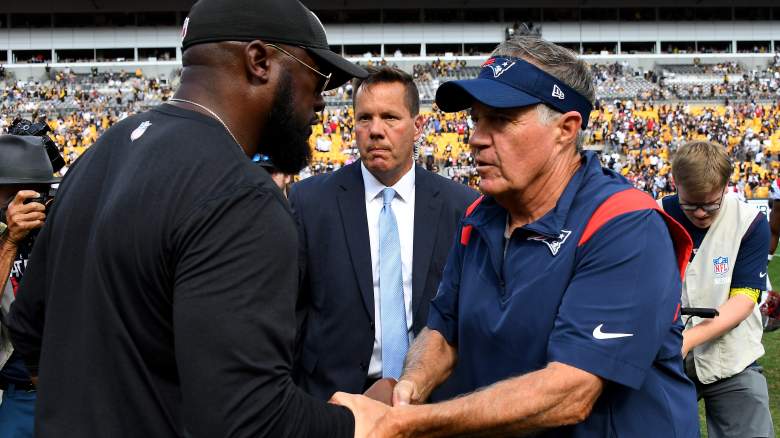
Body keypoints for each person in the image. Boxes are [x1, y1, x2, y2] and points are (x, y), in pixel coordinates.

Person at [6, 0, 370, 437]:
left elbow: (28, 328)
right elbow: (248, 419)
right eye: (319, 78)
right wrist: (358, 423)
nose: (321, 104)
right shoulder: (240, 196)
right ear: (259, 61)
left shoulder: (100, 153)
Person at [332, 36, 699, 437]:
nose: (476, 137)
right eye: (476, 119)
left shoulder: (626, 225)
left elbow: (570, 392)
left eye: (501, 120)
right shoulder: (479, 216)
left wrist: (404, 423)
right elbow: (443, 330)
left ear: (566, 129)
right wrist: (410, 388)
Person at [289, 67, 478, 400]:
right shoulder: (309, 202)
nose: (375, 131)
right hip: (332, 398)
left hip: (430, 396)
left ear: (418, 126)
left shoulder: (460, 206)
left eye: (390, 118)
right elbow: (292, 308)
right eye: (365, 119)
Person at [660, 141, 773, 438]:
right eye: (690, 204)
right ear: (676, 184)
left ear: (726, 185)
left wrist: (688, 339)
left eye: (710, 204)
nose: (699, 213)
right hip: (663, 356)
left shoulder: (750, 223)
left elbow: (745, 298)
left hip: (732, 357)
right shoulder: (654, 215)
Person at [0, 134, 61, 438]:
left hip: (72, 388)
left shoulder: (65, 226)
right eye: (14, 196)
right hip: (19, 394)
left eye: (36, 195)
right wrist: (10, 240)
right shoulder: (3, 238)